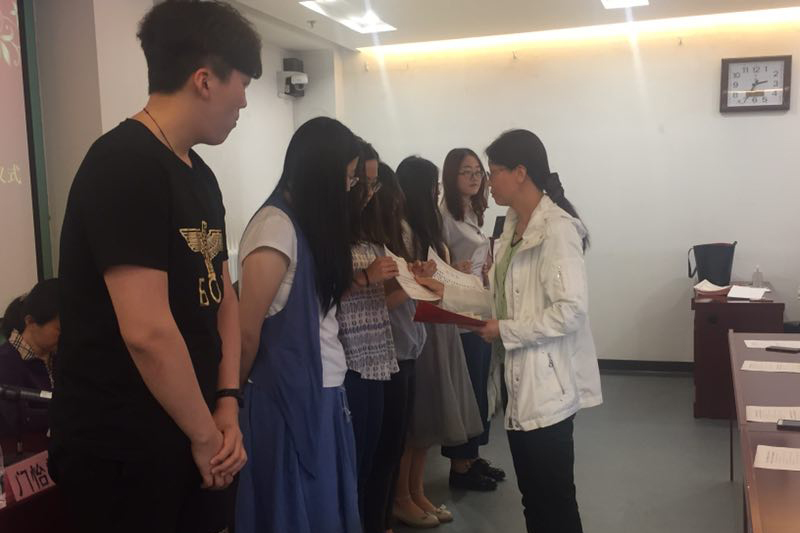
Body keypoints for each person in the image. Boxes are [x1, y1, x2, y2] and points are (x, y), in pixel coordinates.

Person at [49, 3, 262, 532]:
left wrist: (227, 403)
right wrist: (206, 434)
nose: (244, 100)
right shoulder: (124, 164)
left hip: (196, 429)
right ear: (204, 80)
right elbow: (147, 331)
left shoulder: (198, 173)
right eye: (243, 83)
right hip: (124, 448)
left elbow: (222, 297)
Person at [418, 130, 603, 533]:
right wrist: (445, 291)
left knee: (555, 500)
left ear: (521, 172)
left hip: (548, 387)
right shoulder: (513, 229)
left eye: (494, 171)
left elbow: (570, 311)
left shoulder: (557, 230)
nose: (488, 181)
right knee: (532, 498)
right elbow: (500, 301)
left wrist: (505, 330)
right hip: (518, 383)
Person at [236, 117, 361, 533]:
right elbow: (246, 331)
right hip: (286, 400)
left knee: (324, 509)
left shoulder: (305, 224)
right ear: (322, 173)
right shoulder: (275, 227)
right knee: (295, 511)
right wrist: (230, 398)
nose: (349, 188)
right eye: (347, 177)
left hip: (323, 392)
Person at [393, 156, 484, 528]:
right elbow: (405, 282)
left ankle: (416, 492)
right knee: (415, 423)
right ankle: (401, 497)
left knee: (429, 421)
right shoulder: (401, 228)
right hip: (420, 328)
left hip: (438, 325)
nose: (436, 193)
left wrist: (451, 273)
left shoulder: (426, 224)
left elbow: (435, 274)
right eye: (432, 186)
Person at [338, 141, 400, 525]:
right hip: (348, 359)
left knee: (373, 458)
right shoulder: (326, 233)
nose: (369, 193)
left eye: (374, 185)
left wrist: (409, 281)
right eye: (363, 182)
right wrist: (364, 277)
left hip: (376, 354)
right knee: (353, 463)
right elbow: (318, 293)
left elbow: (380, 299)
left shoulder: (366, 230)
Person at [363, 163, 427, 533]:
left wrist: (414, 279)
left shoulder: (387, 240)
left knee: (395, 444)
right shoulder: (366, 243)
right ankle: (384, 517)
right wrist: (411, 285)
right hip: (387, 355)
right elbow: (377, 303)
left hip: (405, 347)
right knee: (383, 450)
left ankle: (389, 514)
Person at [439, 148, 505, 490]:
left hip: (480, 306)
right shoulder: (444, 216)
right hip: (459, 313)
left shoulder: (474, 212)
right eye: (467, 171)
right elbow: (433, 263)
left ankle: (473, 457)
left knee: (480, 387)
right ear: (452, 176)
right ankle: (459, 467)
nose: (475, 177)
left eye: (479, 172)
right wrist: (453, 268)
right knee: (466, 391)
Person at [0, 279, 59, 448]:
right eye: (59, 329)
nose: (66, 336)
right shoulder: (6, 361)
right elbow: (12, 420)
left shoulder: (58, 357)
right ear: (30, 321)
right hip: (26, 454)